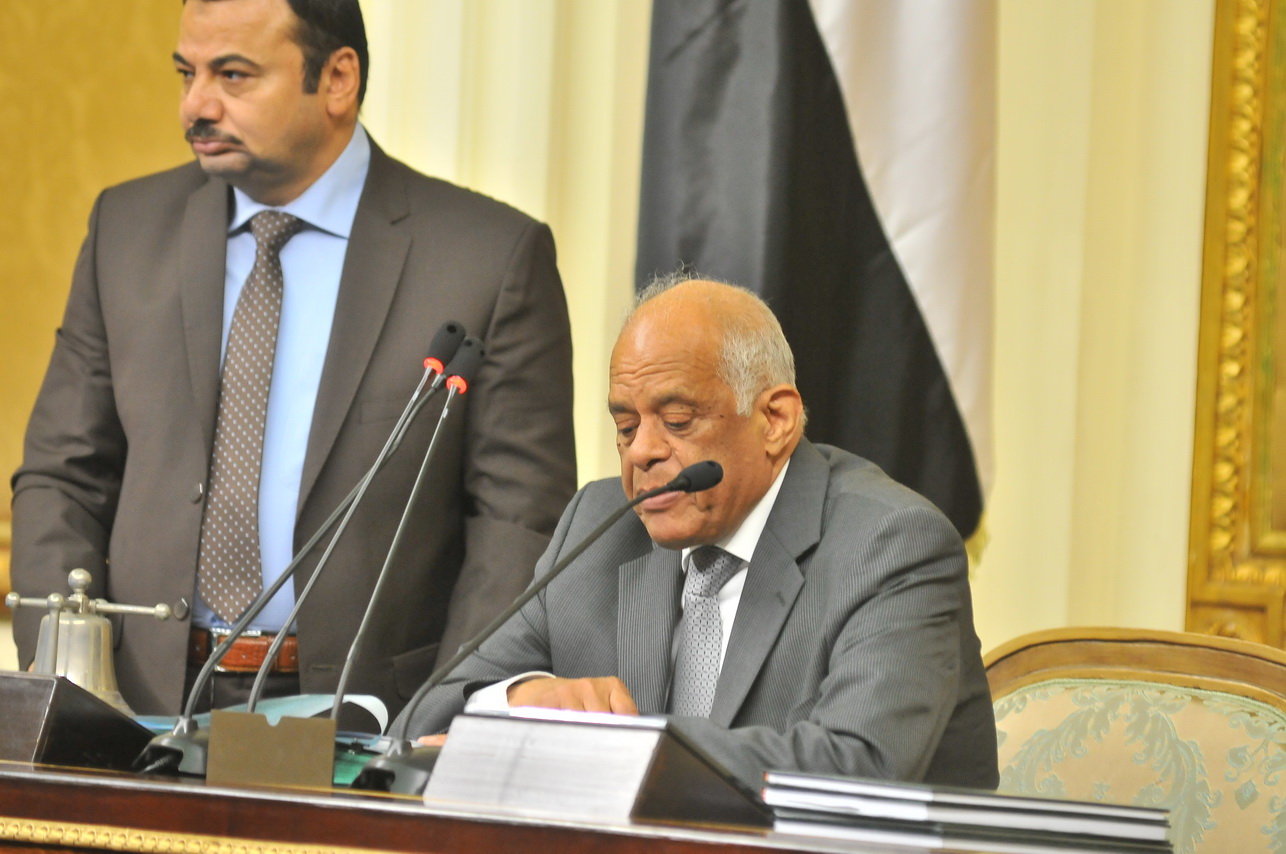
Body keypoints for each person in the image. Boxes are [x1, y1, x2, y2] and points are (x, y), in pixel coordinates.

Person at [9, 0, 576, 719]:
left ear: (337, 79)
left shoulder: (488, 258)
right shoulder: (126, 230)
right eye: (187, 73)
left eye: (233, 75)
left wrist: (448, 713)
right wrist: (66, 677)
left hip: (372, 719)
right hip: (134, 704)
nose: (195, 105)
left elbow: (515, 521)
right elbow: (63, 474)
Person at [396, 276, 998, 789]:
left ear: (775, 419)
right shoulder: (598, 527)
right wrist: (518, 700)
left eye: (678, 420)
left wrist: (600, 751)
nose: (643, 452)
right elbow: (419, 723)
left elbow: (858, 767)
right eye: (626, 427)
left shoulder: (891, 544)